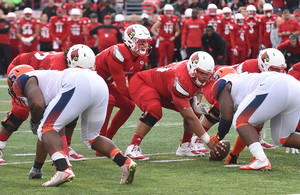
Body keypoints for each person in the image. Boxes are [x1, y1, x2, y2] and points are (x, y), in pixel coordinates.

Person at [7, 62, 137, 186]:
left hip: (78, 81)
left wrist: (34, 121)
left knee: (46, 128)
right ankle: (124, 162)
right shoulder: (46, 82)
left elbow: (37, 104)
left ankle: (62, 169)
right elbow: (48, 134)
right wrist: (37, 169)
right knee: (91, 137)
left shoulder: (22, 79)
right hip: (98, 82)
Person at [124, 51, 224, 160]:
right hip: (143, 82)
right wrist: (209, 141)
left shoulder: (193, 72)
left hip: (164, 89)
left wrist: (197, 103)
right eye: (202, 73)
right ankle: (133, 147)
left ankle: (185, 146)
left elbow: (198, 89)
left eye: (207, 74)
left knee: (195, 110)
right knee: (154, 110)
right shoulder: (182, 79)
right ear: (192, 68)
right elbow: (189, 118)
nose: (205, 78)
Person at [192, 48, 284, 157]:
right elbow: (231, 87)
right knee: (221, 107)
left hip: (230, 86)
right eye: (274, 69)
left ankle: (256, 137)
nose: (278, 72)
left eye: (280, 69)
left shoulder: (278, 74)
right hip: (216, 81)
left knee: (259, 106)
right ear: (263, 65)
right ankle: (197, 138)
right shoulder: (250, 67)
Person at [212, 67, 300, 171]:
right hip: (294, 85)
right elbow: (253, 126)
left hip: (276, 84)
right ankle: (260, 158)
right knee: (282, 137)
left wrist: (219, 136)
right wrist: (234, 153)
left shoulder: (223, 83)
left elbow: (226, 118)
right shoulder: (245, 83)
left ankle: (261, 159)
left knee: (239, 120)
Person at [93, 24, 152, 157]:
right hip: (91, 82)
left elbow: (134, 81)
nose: (145, 46)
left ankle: (108, 138)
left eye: (146, 42)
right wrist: (142, 101)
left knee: (129, 105)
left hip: (105, 83)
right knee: (110, 100)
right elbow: (122, 87)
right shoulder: (117, 52)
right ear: (130, 41)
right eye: (141, 42)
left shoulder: (141, 56)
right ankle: (100, 144)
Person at [0, 9, 11, 78]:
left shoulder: (6, 22)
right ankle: (1, 73)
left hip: (6, 42)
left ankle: (9, 72)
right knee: (0, 59)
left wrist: (3, 29)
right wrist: (3, 29)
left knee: (7, 58)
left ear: (3, 14)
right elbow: (4, 29)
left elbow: (6, 30)